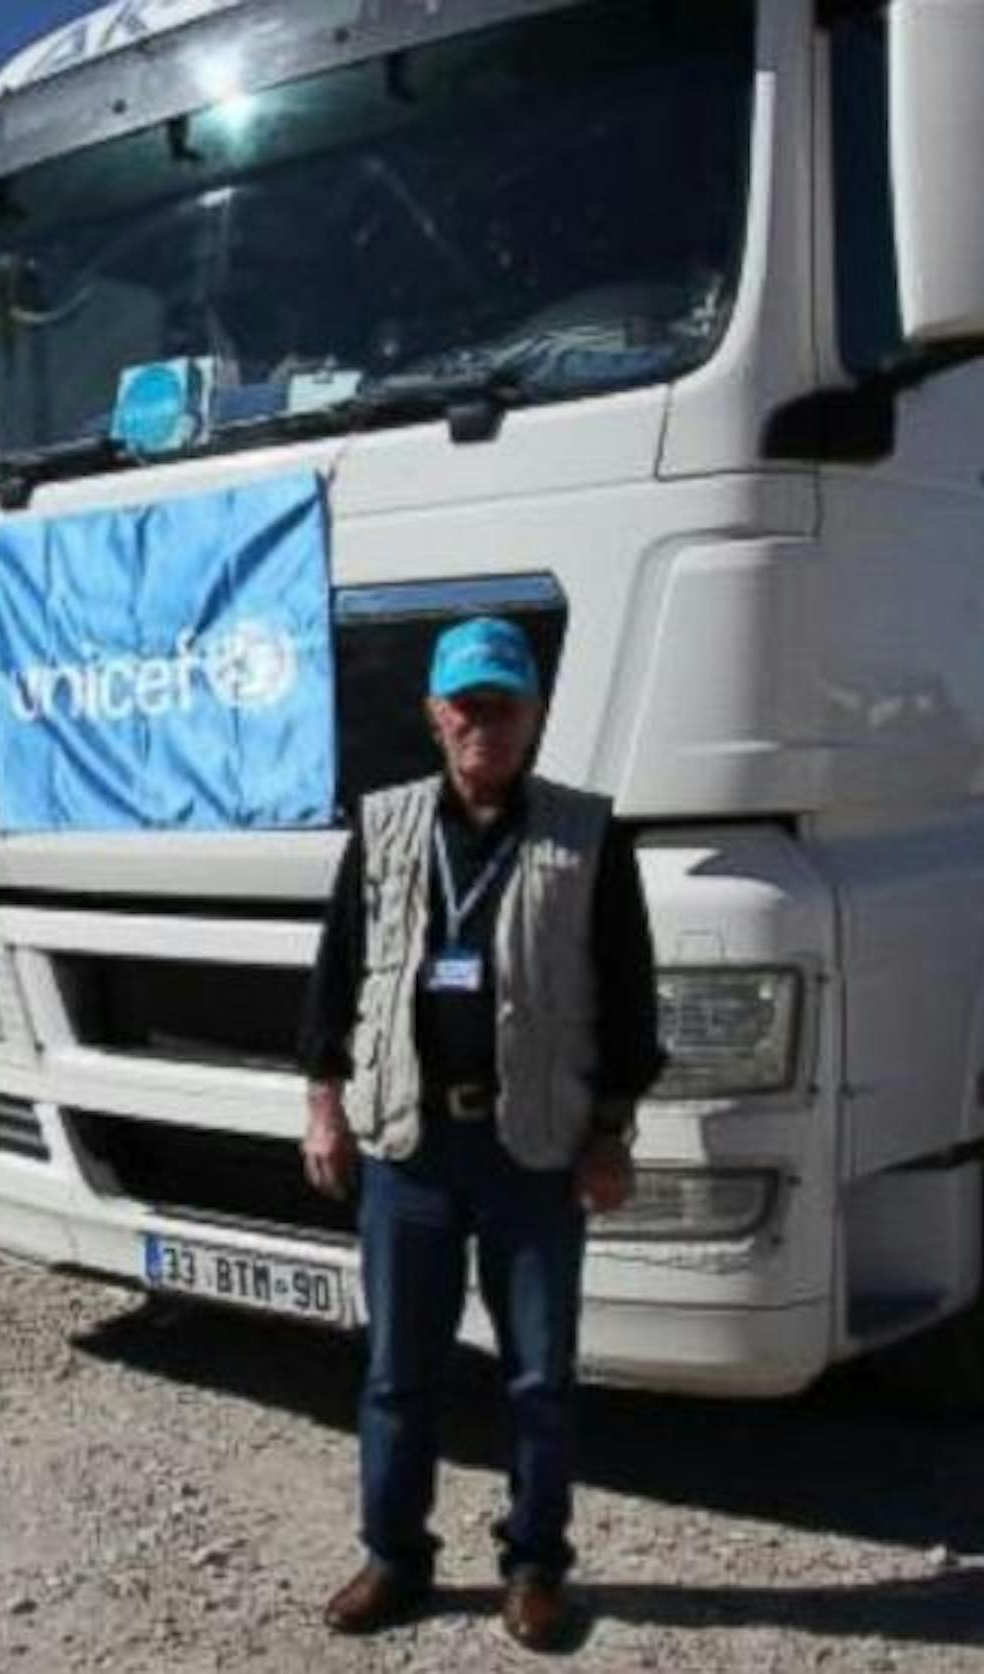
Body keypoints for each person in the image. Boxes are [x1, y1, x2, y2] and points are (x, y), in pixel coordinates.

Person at [295, 614, 664, 1652]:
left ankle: (537, 1567)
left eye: (504, 705)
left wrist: (611, 1132)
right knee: (396, 1373)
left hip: (533, 1149)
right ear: (433, 714)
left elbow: (631, 1002)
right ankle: (394, 1558)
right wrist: (323, 1104)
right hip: (409, 1145)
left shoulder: (591, 837)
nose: (484, 724)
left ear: (536, 715)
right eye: (467, 705)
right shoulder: (385, 827)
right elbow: (334, 977)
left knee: (540, 1379)